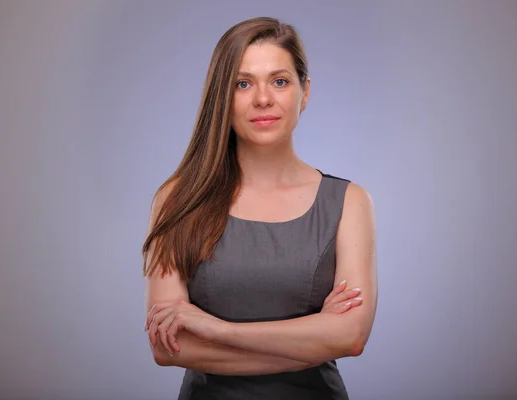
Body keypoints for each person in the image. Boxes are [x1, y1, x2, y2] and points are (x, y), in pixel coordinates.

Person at [142, 16, 377, 400]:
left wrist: (218, 330)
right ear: (222, 96)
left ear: (305, 92)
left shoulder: (350, 201)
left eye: (280, 81)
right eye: (243, 83)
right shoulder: (176, 200)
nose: (263, 98)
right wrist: (314, 337)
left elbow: (350, 337)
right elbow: (170, 347)